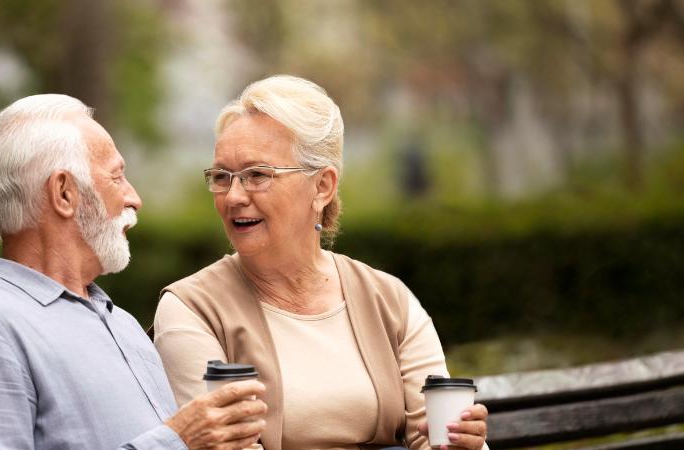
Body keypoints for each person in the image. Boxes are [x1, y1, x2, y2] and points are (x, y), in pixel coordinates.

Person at [153, 76, 489, 450]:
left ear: (323, 187)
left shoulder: (388, 299)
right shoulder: (191, 310)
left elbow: (435, 435)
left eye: (257, 175)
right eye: (221, 176)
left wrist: (460, 445)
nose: (233, 196)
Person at [0, 94, 267, 450]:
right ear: (64, 193)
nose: (134, 198)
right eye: (117, 177)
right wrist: (178, 441)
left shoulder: (123, 325)